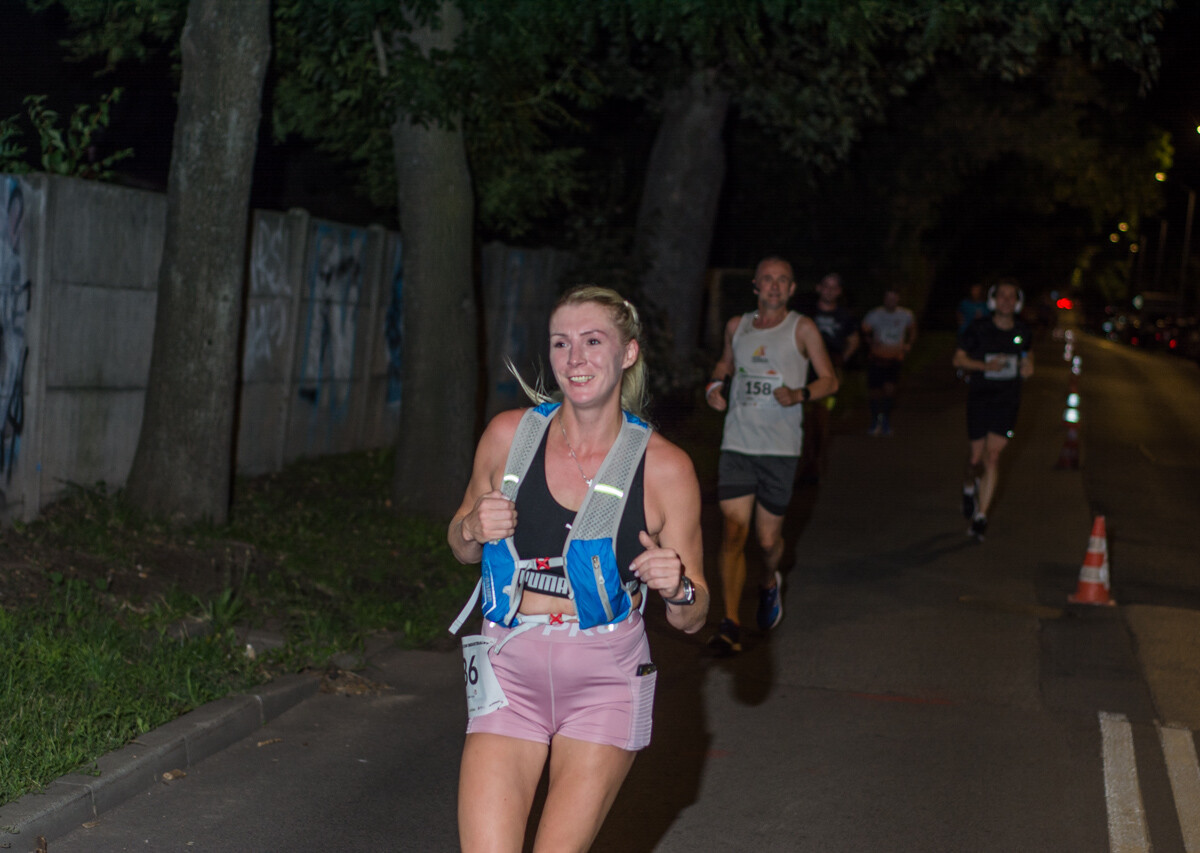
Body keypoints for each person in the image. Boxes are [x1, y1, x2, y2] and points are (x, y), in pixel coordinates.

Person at [448, 285, 708, 852]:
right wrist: (471, 528)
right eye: (561, 343)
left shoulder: (666, 468)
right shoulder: (507, 436)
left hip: (605, 678)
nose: (575, 359)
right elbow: (461, 545)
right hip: (507, 666)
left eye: (594, 341)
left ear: (628, 354)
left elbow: (693, 618)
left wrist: (679, 586)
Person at [704, 257, 837, 654]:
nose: (775, 286)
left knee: (766, 540)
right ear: (756, 286)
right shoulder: (738, 326)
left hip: (780, 449)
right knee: (733, 531)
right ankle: (730, 624)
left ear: (792, 289)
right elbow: (725, 363)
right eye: (767, 279)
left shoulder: (803, 328)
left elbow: (830, 379)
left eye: (783, 281)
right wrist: (715, 385)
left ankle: (768, 580)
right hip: (738, 443)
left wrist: (800, 394)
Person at [952, 278, 1034, 540]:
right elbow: (958, 359)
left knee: (993, 457)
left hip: (1007, 401)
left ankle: (981, 516)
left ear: (1018, 302)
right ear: (993, 300)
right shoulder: (979, 328)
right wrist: (986, 367)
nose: (1007, 300)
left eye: (1012, 296)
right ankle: (968, 487)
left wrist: (1029, 367)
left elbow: (1028, 357)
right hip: (980, 398)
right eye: (1002, 295)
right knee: (975, 459)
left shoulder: (1023, 330)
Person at [799, 272, 860, 481]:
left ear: (839, 292)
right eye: (826, 286)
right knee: (805, 422)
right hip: (804, 374)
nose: (829, 290)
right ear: (818, 288)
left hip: (830, 375)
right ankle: (805, 464)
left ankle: (817, 463)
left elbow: (854, 340)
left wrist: (842, 358)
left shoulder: (845, 316)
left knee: (822, 419)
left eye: (834, 287)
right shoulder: (806, 314)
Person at [860, 287, 916, 436]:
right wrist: (871, 342)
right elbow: (864, 329)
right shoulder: (875, 314)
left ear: (898, 299)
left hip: (895, 359)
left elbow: (913, 329)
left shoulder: (905, 314)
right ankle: (874, 420)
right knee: (875, 392)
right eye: (888, 298)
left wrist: (908, 344)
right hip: (877, 359)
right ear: (884, 299)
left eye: (893, 298)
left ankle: (885, 420)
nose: (891, 301)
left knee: (890, 390)